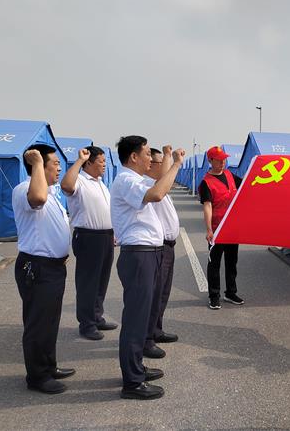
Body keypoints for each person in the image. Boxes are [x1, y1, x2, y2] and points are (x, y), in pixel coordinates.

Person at [110, 135, 184, 400]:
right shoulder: (126, 180)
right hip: (139, 254)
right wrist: (176, 164)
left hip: (147, 253)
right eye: (146, 155)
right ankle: (132, 382)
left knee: (141, 317)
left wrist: (170, 160)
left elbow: (159, 182)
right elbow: (157, 193)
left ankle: (137, 368)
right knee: (135, 320)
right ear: (133, 157)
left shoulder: (136, 179)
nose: (150, 160)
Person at [12, 144, 75, 394]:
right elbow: (37, 199)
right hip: (37, 267)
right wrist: (37, 162)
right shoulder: (25, 189)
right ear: (38, 166)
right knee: (38, 323)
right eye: (55, 164)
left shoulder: (52, 192)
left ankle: (49, 366)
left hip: (53, 267)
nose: (59, 168)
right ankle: (37, 377)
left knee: (50, 321)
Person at [60, 146, 117, 341]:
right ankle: (86, 324)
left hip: (106, 236)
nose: (104, 165)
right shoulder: (80, 181)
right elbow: (66, 186)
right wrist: (79, 160)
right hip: (88, 237)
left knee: (101, 280)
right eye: (101, 161)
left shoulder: (101, 184)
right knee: (88, 282)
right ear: (89, 163)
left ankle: (97, 317)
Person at [143, 146, 180, 359]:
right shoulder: (150, 185)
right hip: (159, 246)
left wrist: (167, 158)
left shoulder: (160, 185)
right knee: (154, 294)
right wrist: (171, 158)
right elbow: (163, 182)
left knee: (163, 293)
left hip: (168, 246)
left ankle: (156, 330)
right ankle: (147, 338)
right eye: (160, 162)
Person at [198, 146, 244, 310]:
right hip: (217, 229)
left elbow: (246, 186)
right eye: (219, 160)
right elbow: (207, 206)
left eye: (224, 159)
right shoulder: (206, 183)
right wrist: (209, 229)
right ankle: (214, 296)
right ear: (210, 161)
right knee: (215, 263)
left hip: (232, 227)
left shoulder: (230, 175)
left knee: (232, 262)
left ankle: (231, 292)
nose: (223, 162)